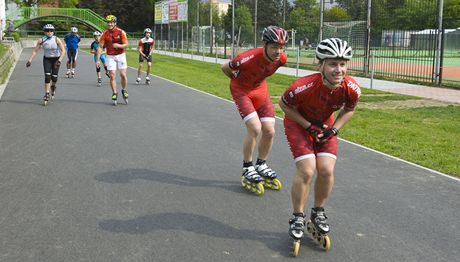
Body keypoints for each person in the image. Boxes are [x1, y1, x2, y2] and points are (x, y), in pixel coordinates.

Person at [279, 38, 360, 243]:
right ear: (320, 64)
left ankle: (318, 212)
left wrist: (334, 130)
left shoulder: (351, 88)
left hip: (325, 125)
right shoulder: (303, 86)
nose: (338, 69)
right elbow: (283, 104)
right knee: (307, 169)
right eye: (333, 64)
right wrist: (308, 126)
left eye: (342, 64)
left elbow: (349, 110)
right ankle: (297, 216)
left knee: (326, 169)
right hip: (298, 124)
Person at [221, 26, 288, 194]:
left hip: (260, 91)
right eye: (274, 47)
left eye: (281, 47)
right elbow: (225, 68)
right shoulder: (247, 58)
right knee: (255, 128)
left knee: (270, 131)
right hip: (241, 90)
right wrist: (237, 80)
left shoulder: (282, 59)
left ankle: (261, 164)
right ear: (264, 45)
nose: (278, 51)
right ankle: (247, 166)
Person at [26, 24, 66, 106]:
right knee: (47, 76)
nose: (49, 32)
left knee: (54, 77)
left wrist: (59, 61)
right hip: (47, 59)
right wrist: (30, 60)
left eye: (51, 31)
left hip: (56, 59)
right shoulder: (41, 40)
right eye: (47, 31)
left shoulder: (56, 39)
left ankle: (53, 87)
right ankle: (47, 93)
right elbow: (35, 51)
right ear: (44, 32)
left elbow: (63, 51)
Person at [96, 15, 129, 105]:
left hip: (121, 55)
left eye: (111, 22)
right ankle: (114, 92)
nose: (109, 24)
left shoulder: (121, 32)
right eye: (108, 22)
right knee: (112, 75)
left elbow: (126, 44)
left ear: (115, 23)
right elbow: (100, 47)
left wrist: (119, 46)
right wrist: (98, 60)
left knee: (122, 74)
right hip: (110, 56)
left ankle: (124, 90)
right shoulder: (105, 33)